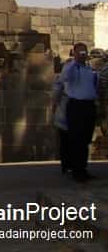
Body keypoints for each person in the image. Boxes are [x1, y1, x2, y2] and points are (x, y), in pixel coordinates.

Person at [58, 42, 100, 182]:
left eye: (84, 52)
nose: (83, 55)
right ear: (74, 52)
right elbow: (64, 79)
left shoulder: (89, 69)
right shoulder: (70, 68)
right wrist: (74, 62)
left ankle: (83, 168)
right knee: (77, 139)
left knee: (86, 139)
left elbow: (95, 85)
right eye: (80, 52)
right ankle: (77, 171)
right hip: (76, 106)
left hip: (89, 105)